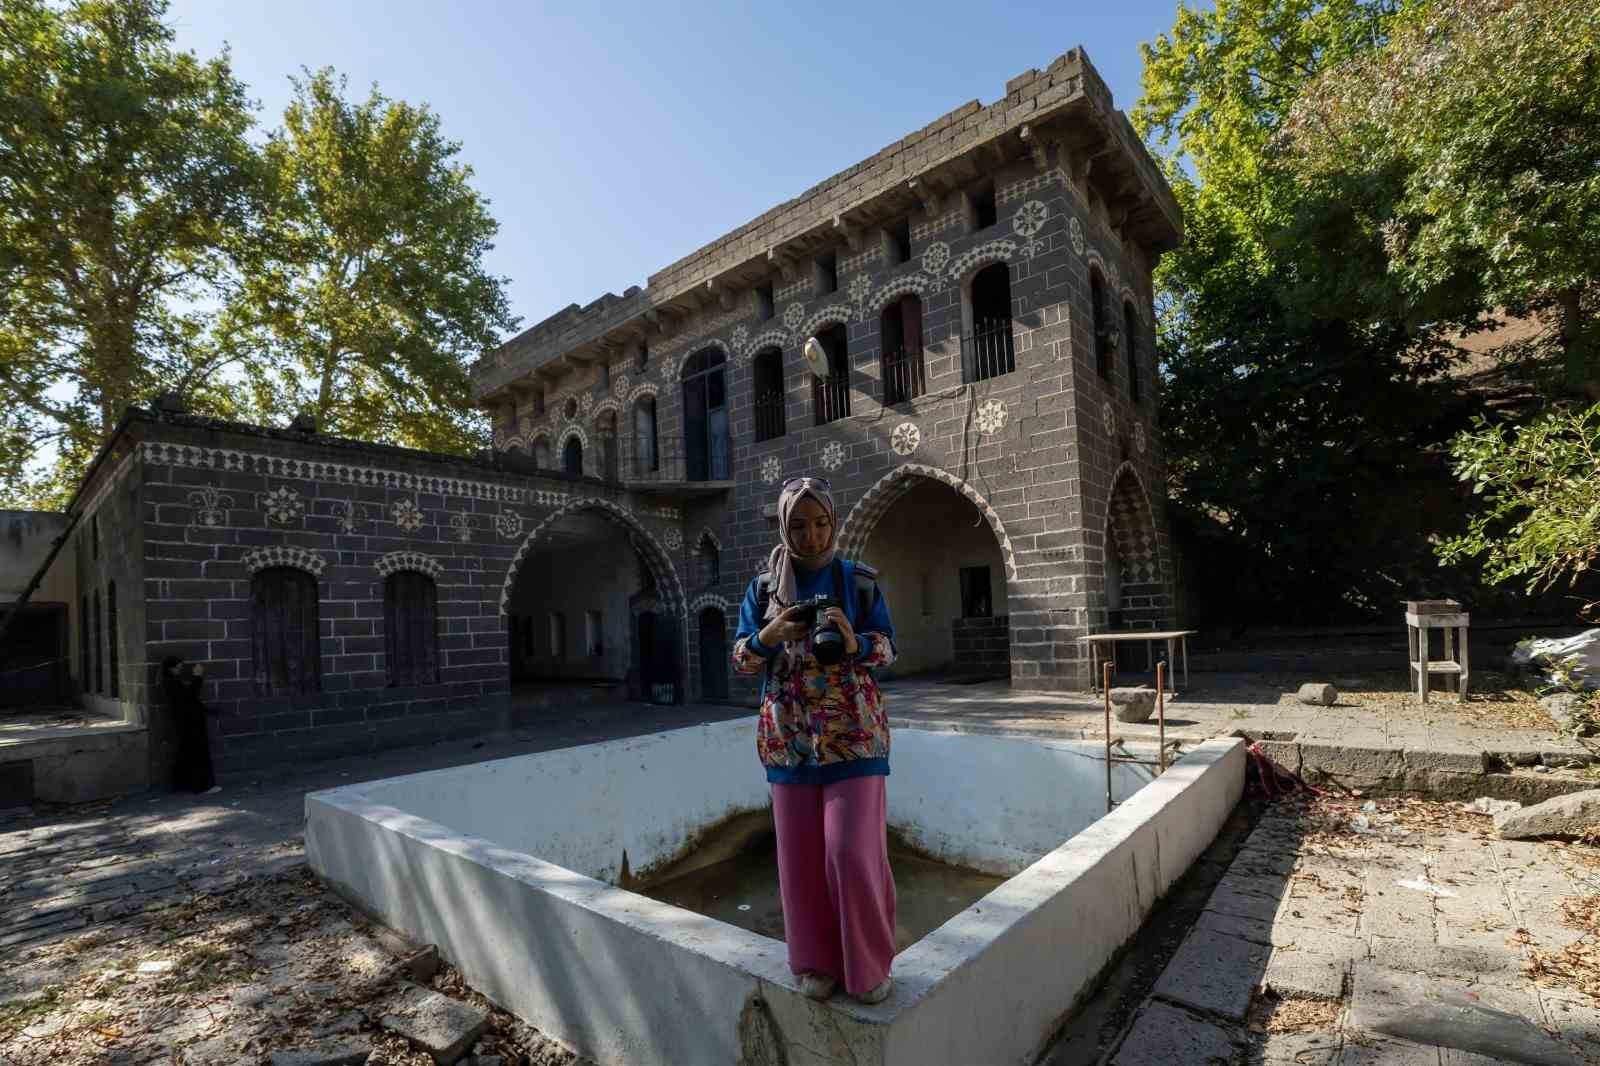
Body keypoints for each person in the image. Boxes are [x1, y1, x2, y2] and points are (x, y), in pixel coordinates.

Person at [732, 475, 898, 1004]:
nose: (811, 534)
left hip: (856, 735)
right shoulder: (762, 590)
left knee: (852, 852)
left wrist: (855, 641)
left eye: (821, 522)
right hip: (788, 738)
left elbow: (889, 651)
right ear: (784, 526)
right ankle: (815, 964)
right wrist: (769, 634)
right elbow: (740, 660)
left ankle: (869, 967)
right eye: (799, 525)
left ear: (834, 521)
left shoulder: (860, 580)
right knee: (799, 859)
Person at [163, 656, 220, 795]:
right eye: (178, 667)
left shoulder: (171, 681)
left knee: (186, 753)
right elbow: (190, 696)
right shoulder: (171, 682)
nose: (180, 670)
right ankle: (201, 787)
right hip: (190, 723)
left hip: (186, 722)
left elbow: (189, 699)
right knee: (197, 753)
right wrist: (197, 676)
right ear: (172, 668)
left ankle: (181, 785)